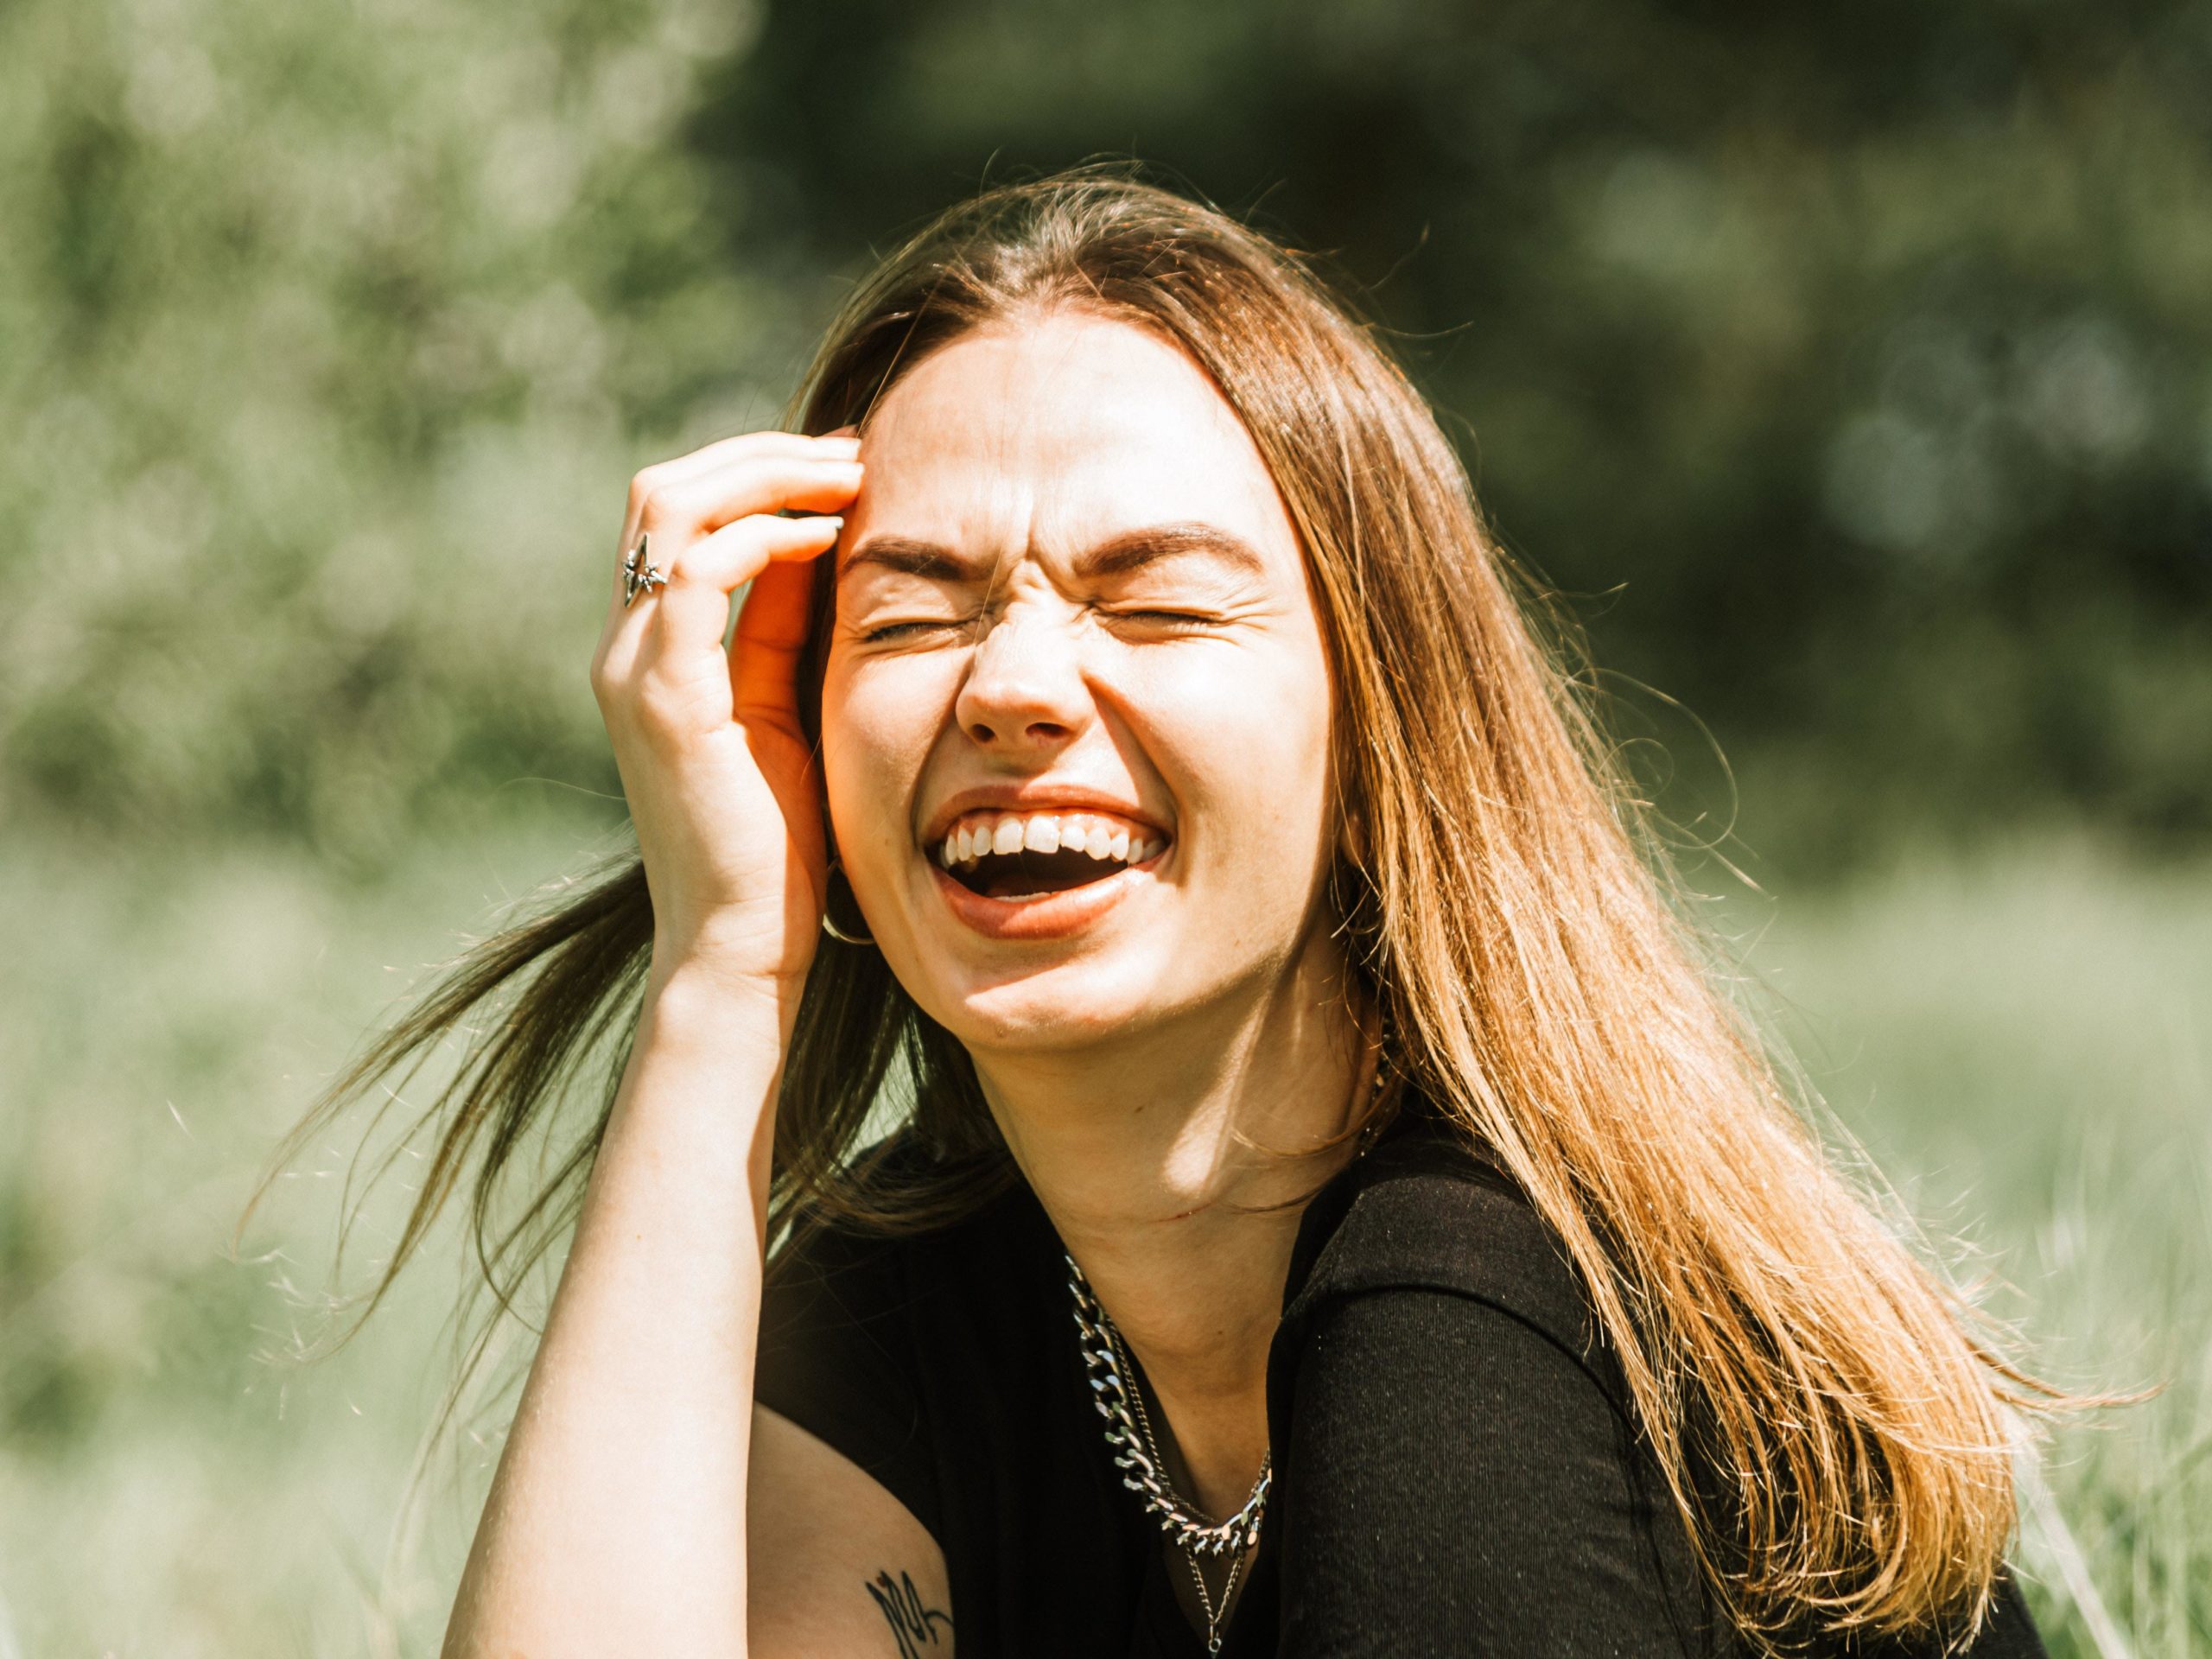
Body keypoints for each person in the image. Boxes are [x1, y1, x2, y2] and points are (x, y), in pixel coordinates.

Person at [276, 168, 2054, 1656]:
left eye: (1157, 603)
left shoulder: (1475, 1307)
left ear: (1380, 729)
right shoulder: (912, 1315)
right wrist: (717, 977)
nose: (1016, 682)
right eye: (909, 615)